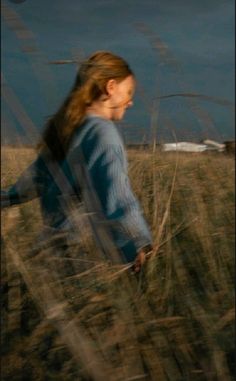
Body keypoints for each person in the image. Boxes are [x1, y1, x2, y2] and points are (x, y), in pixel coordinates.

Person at [1, 51, 153, 273]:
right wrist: (137, 242)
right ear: (111, 87)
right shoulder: (103, 134)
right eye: (129, 92)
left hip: (47, 253)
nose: (130, 102)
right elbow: (117, 196)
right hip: (79, 258)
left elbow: (26, 186)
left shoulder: (67, 129)